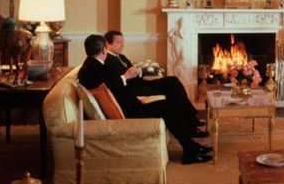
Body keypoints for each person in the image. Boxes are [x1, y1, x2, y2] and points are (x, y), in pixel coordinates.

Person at [77, 34, 213, 164]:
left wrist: (127, 79)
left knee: (169, 104)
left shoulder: (89, 66)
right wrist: (126, 78)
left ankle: (192, 147)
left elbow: (110, 85)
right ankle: (190, 151)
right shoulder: (97, 67)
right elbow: (114, 85)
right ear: (104, 50)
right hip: (130, 110)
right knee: (169, 107)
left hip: (130, 104)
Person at [103, 30, 205, 134]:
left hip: (141, 83)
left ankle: (190, 120)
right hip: (135, 89)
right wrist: (128, 75)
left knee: (172, 81)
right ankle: (190, 121)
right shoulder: (107, 60)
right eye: (118, 42)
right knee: (172, 87)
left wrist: (139, 71)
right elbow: (117, 81)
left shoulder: (121, 56)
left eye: (122, 42)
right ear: (107, 43)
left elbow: (133, 71)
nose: (122, 45)